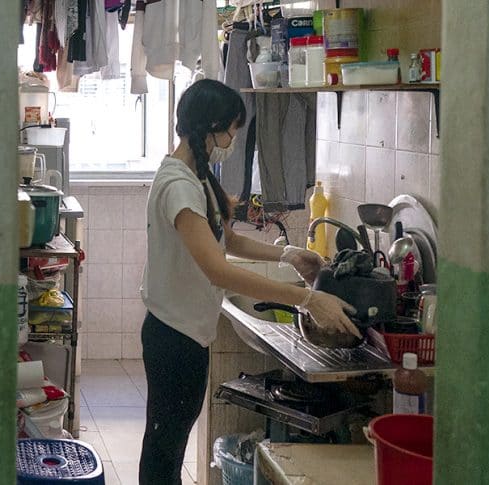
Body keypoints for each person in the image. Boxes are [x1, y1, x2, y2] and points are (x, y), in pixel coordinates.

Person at [138, 79, 358, 484]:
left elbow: (228, 241)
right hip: (173, 339)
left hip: (186, 334)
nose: (234, 138)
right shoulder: (178, 187)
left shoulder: (197, 176)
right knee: (163, 451)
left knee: (168, 447)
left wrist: (289, 254)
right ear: (212, 127)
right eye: (233, 129)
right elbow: (217, 269)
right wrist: (306, 300)